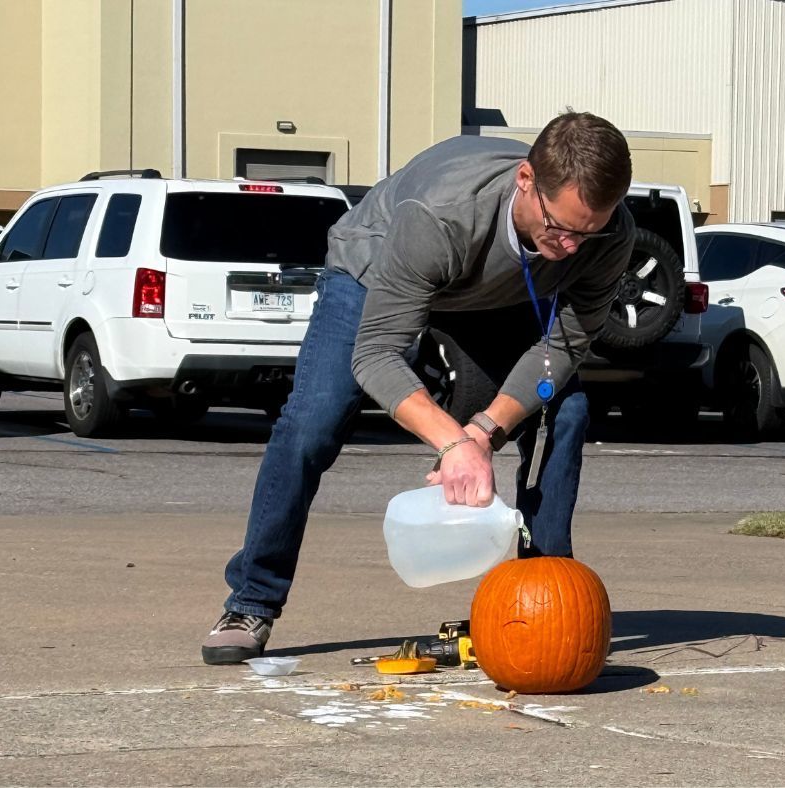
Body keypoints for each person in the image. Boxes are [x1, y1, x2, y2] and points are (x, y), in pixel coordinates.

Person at [202, 111, 635, 665]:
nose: (574, 245)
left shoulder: (608, 233)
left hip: (492, 297)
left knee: (564, 411)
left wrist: (483, 429)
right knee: (313, 423)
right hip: (375, 269)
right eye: (560, 227)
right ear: (526, 181)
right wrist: (452, 444)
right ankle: (252, 600)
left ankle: (542, 601)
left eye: (589, 230)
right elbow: (377, 353)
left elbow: (563, 348)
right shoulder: (442, 214)